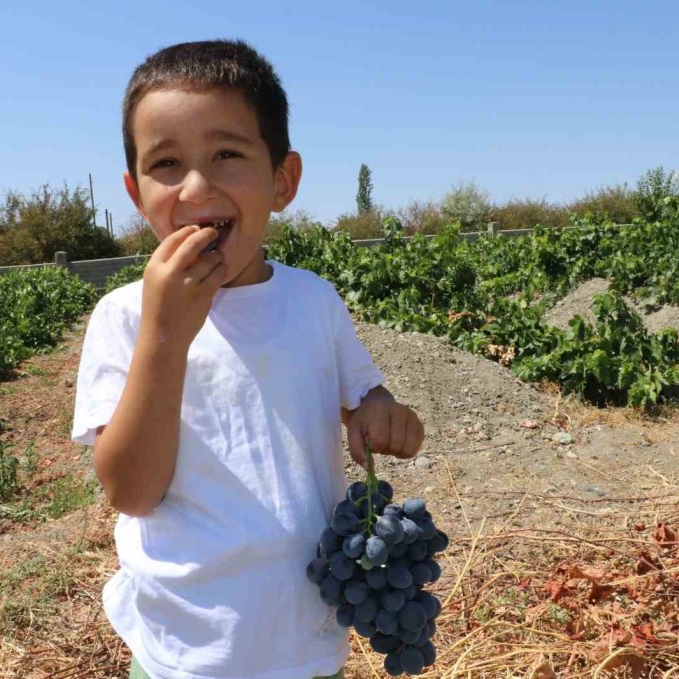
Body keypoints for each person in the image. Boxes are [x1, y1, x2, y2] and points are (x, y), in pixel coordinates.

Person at [70, 39, 425, 679]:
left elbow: (365, 397)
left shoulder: (313, 302)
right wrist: (165, 336)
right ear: (134, 191)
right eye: (167, 163)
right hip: (184, 650)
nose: (196, 186)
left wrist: (381, 415)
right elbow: (130, 490)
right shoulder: (125, 319)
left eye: (227, 154)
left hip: (305, 641)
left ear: (282, 181)